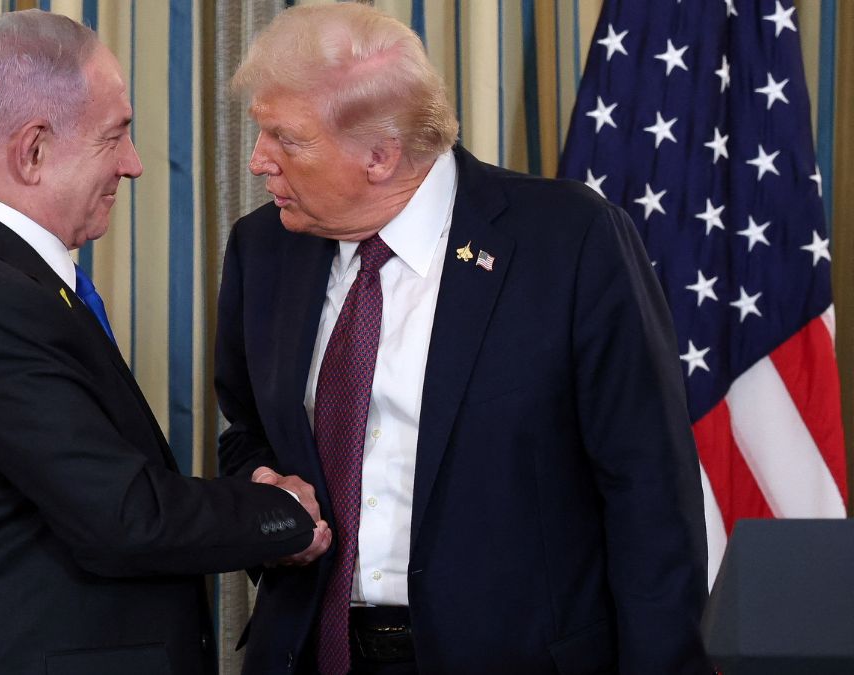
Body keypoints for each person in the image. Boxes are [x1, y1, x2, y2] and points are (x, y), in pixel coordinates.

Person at [215, 4, 711, 674]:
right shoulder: (263, 249)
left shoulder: (569, 241)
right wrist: (262, 492)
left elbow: (649, 490)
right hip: (309, 653)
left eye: (285, 138)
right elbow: (247, 429)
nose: (258, 162)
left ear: (379, 156)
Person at [0, 10, 329, 674]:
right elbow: (125, 517)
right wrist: (282, 511)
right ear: (34, 150)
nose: (133, 166)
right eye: (116, 136)